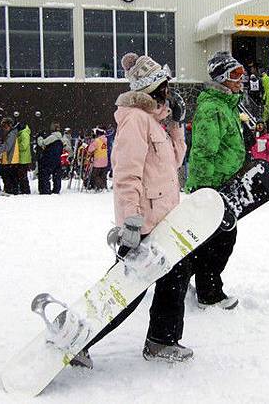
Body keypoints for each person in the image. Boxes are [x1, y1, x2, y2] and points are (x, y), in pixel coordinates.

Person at [77, 52, 189, 364]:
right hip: (143, 224)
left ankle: (161, 340)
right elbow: (127, 174)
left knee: (174, 276)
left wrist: (177, 125)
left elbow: (174, 164)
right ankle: (78, 338)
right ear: (150, 91)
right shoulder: (135, 121)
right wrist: (130, 222)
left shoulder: (154, 123)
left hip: (164, 221)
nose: (169, 92)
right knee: (124, 290)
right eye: (164, 87)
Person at [186, 51, 245, 310]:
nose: (241, 80)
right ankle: (208, 293)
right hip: (213, 187)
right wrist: (204, 190)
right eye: (235, 75)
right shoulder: (212, 108)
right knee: (218, 241)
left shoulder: (227, 105)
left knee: (222, 239)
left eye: (242, 73)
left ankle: (203, 286)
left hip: (225, 183)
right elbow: (202, 151)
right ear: (221, 78)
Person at [37, 122, 64, 195]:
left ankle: (45, 190)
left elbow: (42, 143)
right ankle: (56, 189)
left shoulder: (52, 137)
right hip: (57, 159)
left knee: (45, 174)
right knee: (57, 175)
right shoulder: (61, 138)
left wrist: (39, 137)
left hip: (49, 158)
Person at [0, 118, 21, 195]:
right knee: (9, 176)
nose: (4, 128)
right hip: (8, 160)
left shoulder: (12, 134)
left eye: (5, 126)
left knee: (10, 177)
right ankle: (10, 189)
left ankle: (11, 190)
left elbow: (7, 146)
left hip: (11, 159)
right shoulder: (10, 133)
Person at [86, 127, 108, 192]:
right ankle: (104, 186)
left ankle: (100, 186)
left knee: (95, 175)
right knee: (103, 175)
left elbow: (90, 149)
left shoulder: (97, 141)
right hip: (105, 160)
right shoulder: (105, 140)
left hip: (98, 161)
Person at [17, 121, 32, 194]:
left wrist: (16, 147)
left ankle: (25, 190)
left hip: (23, 158)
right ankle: (24, 189)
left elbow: (24, 145)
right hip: (23, 158)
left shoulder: (24, 134)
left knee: (23, 175)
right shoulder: (23, 133)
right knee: (22, 175)